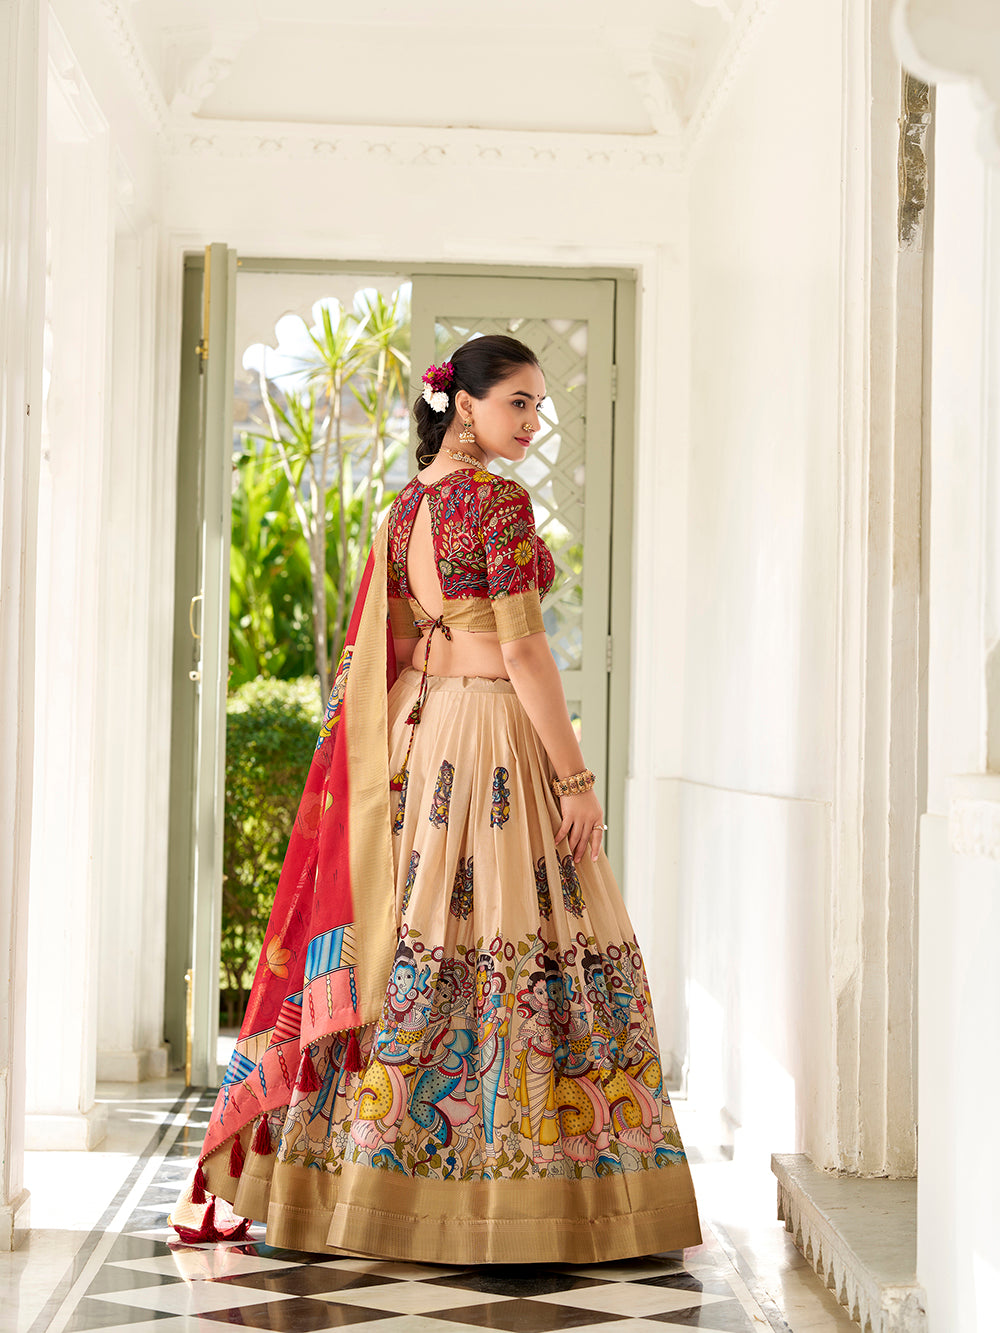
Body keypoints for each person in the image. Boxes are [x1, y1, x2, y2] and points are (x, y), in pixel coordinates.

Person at [170, 333, 702, 1264]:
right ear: (465, 403)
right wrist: (575, 778)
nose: (532, 422)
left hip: (421, 739)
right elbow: (524, 651)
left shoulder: (406, 505)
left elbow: (407, 644)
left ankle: (360, 1188)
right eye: (517, 402)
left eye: (539, 405)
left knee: (415, 938)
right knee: (521, 932)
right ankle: (527, 1193)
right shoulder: (494, 501)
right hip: (492, 735)